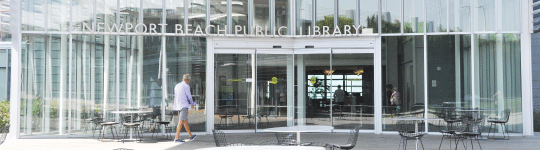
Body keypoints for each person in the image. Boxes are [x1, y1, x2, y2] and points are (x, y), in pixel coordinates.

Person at [173, 74, 197, 143]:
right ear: (187, 80)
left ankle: (191, 135)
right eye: (189, 80)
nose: (189, 81)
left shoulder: (177, 85)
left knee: (185, 121)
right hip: (183, 105)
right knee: (181, 122)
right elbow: (189, 96)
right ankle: (176, 138)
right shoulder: (186, 86)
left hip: (178, 105)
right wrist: (192, 103)